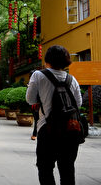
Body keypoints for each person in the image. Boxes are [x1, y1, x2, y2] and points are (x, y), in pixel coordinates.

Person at [26, 45, 82, 185]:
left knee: (45, 168)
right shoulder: (72, 79)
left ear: (47, 60)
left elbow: (30, 99)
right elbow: (78, 104)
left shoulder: (38, 75)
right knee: (67, 169)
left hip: (47, 128)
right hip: (70, 130)